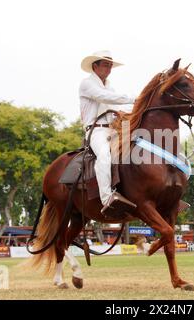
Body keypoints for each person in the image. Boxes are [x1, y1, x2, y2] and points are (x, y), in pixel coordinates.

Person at [79, 50, 136, 213]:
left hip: (112, 130)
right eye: (106, 65)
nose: (109, 68)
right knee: (104, 155)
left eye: (111, 65)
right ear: (94, 66)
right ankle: (107, 198)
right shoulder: (87, 84)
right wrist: (133, 98)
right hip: (95, 131)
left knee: (140, 148)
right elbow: (104, 97)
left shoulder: (109, 86)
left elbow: (117, 105)